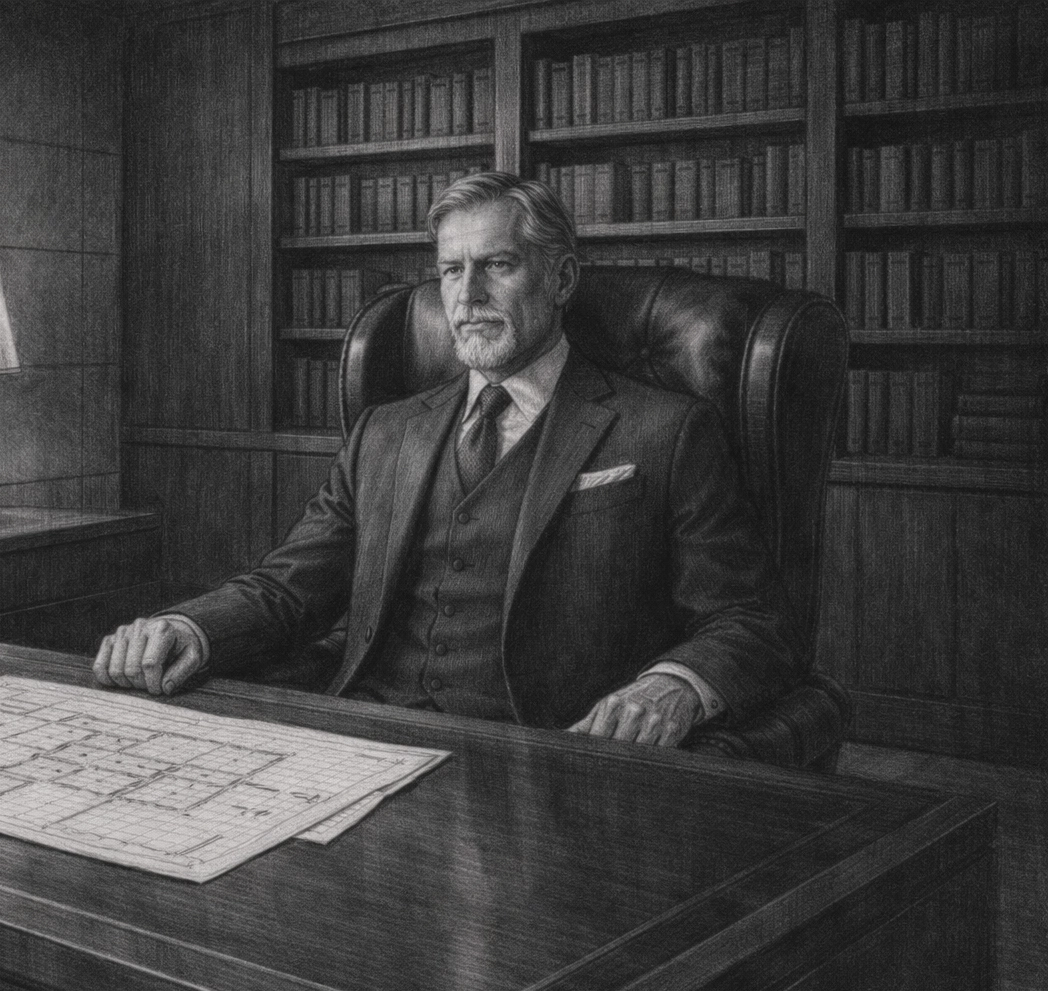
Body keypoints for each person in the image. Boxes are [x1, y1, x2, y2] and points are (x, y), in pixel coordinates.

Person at [94, 171, 801, 747]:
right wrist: (185, 626)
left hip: (545, 754)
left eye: (497, 265)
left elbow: (750, 619)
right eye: (450, 270)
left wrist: (672, 687)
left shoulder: (666, 431)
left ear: (560, 280)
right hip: (367, 738)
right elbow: (288, 588)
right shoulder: (385, 432)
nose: (467, 297)